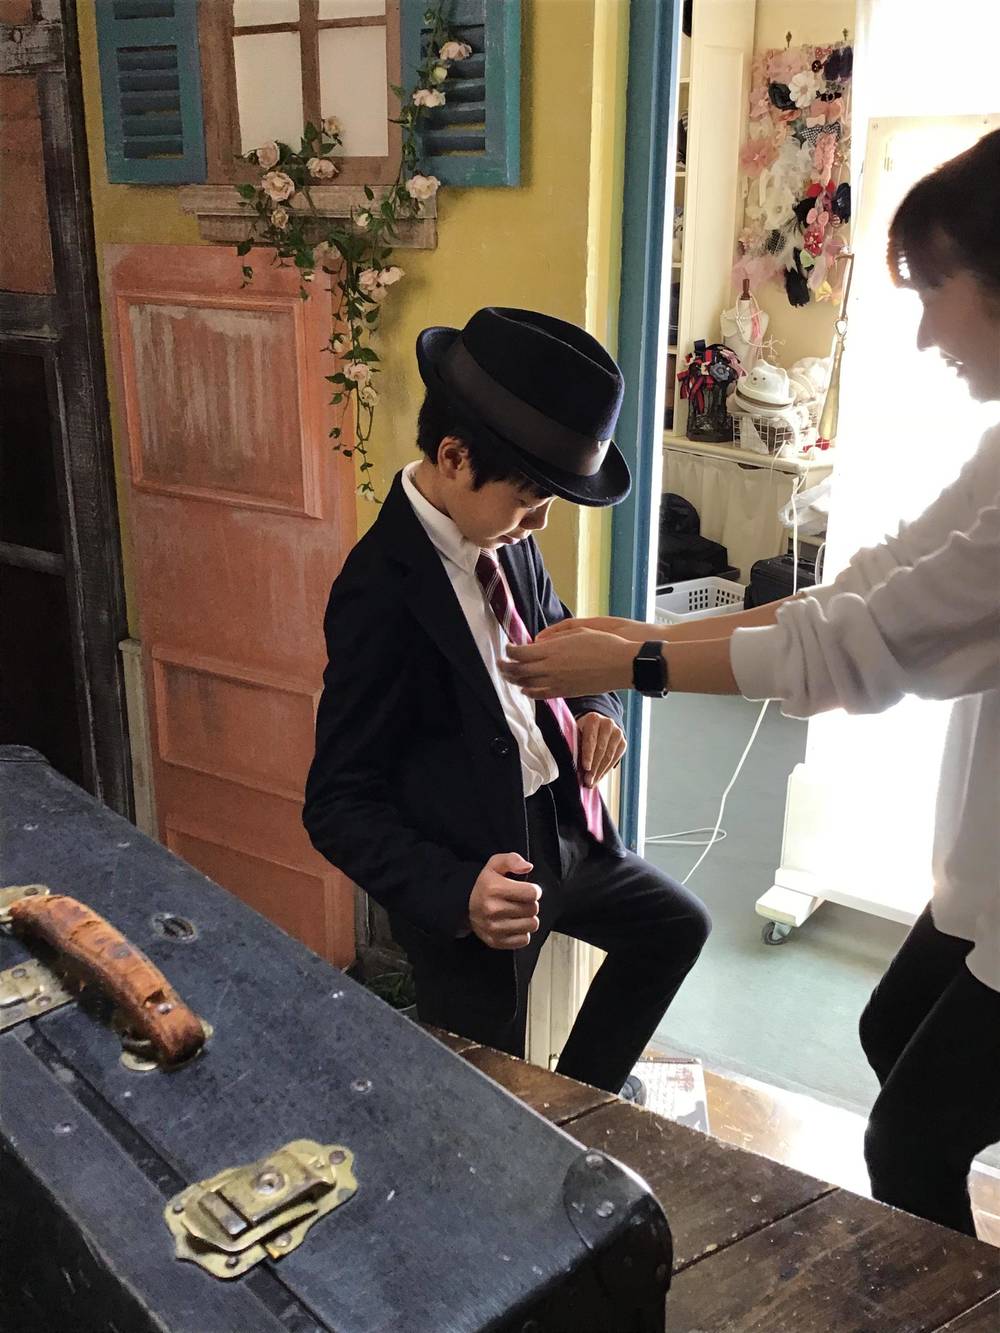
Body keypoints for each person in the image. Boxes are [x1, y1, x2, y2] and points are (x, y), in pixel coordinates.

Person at [500, 131, 1000, 1235]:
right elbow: (866, 586)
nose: (924, 336)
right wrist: (646, 634)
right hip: (985, 868)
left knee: (910, 1137)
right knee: (893, 1034)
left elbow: (859, 644)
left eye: (933, 294)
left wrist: (635, 662)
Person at [304, 307, 710, 1099]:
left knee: (675, 927)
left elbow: (556, 630)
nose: (539, 524)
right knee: (484, 1090)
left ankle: (580, 1105)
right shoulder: (378, 590)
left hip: (566, 830)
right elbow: (336, 804)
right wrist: (458, 892)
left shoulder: (505, 538)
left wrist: (597, 707)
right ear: (455, 457)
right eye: (529, 501)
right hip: (475, 873)